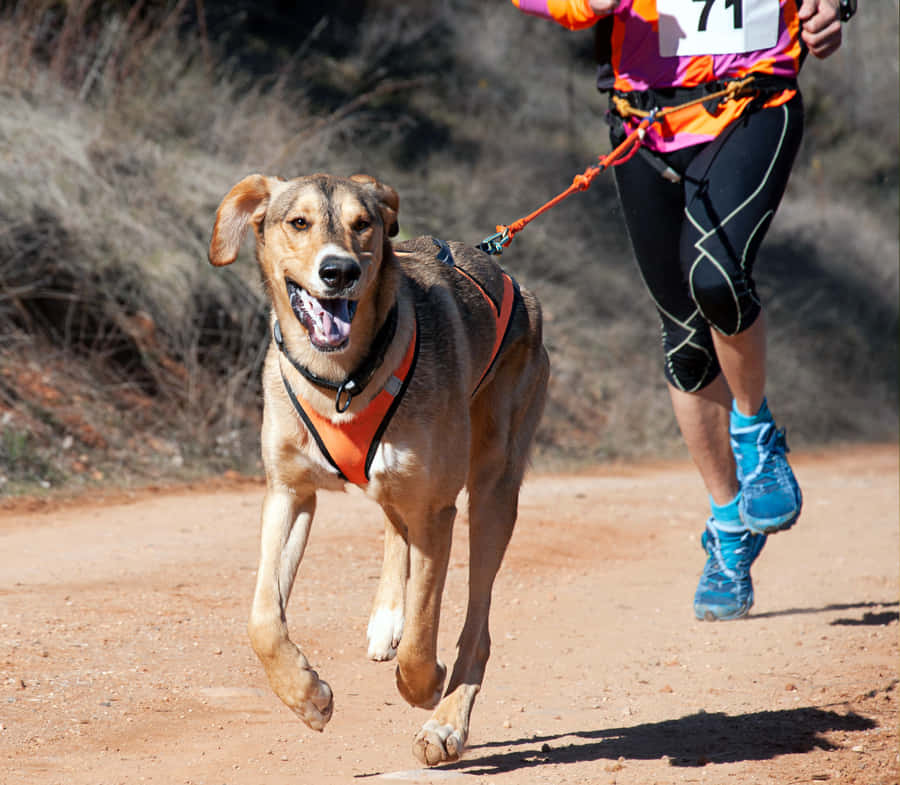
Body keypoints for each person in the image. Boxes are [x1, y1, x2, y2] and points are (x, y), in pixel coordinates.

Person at [511, 0, 849, 619]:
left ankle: (756, 439)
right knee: (684, 343)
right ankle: (729, 526)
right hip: (643, 126)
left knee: (715, 278)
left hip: (754, 103)